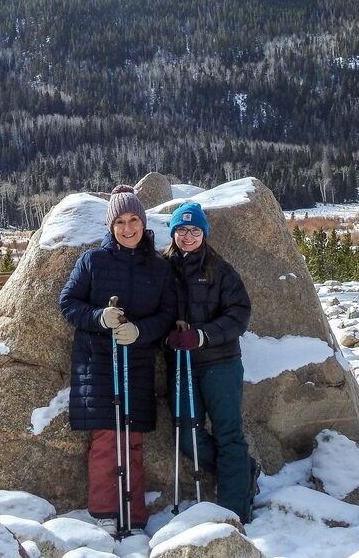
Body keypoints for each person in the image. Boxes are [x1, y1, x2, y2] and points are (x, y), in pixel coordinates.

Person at [59, 185, 176, 536]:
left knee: (133, 440)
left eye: (134, 220)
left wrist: (140, 331)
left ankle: (134, 514)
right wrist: (99, 318)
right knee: (107, 440)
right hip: (98, 364)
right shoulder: (93, 261)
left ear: (143, 223)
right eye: (120, 222)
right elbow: (69, 304)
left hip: (137, 363)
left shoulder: (158, 268)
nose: (128, 228)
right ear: (110, 227)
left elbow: (168, 314)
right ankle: (106, 513)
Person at [163, 201, 255, 524]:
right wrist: (167, 338)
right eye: (182, 229)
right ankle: (243, 470)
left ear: (204, 233)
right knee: (187, 436)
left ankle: (233, 519)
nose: (188, 236)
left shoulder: (219, 269)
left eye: (194, 230)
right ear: (173, 232)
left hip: (221, 363)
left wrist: (201, 336)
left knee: (229, 433)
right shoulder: (163, 268)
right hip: (181, 365)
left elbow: (239, 315)